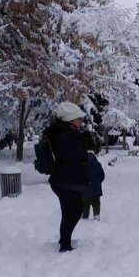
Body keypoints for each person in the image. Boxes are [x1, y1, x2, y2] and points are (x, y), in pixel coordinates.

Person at [43, 102, 90, 252]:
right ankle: (64, 245)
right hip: (64, 179)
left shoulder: (64, 132)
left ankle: (65, 240)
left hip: (64, 178)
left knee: (71, 209)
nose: (81, 121)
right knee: (74, 209)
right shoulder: (65, 134)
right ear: (70, 119)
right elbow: (72, 156)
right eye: (78, 118)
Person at [82, 151, 105, 221]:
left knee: (85, 205)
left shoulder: (82, 166)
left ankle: (85, 216)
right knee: (96, 204)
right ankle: (96, 215)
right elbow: (102, 176)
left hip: (84, 191)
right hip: (96, 191)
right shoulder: (97, 165)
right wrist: (97, 182)